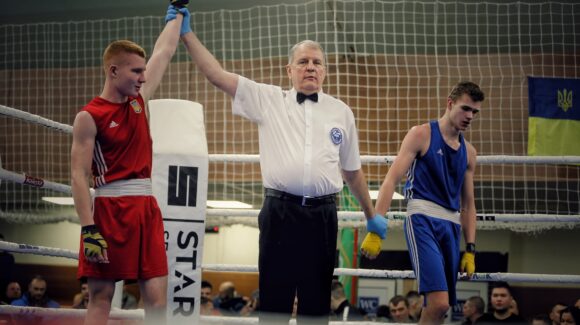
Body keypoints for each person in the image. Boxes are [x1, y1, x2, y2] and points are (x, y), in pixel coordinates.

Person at [177, 8, 385, 324]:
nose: (310, 67)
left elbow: (352, 172)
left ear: (325, 71)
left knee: (316, 305)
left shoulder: (342, 112)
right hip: (280, 213)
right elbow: (216, 75)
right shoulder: (268, 99)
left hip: (323, 217)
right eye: (303, 62)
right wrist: (186, 33)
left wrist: (371, 217)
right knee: (274, 302)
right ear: (289, 70)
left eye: (317, 62)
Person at [69, 5, 184, 325]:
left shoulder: (139, 101)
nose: (143, 77)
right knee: (101, 298)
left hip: (146, 208)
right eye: (136, 71)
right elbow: (78, 176)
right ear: (113, 71)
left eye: (143, 71)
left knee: (158, 300)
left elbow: (165, 51)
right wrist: (88, 228)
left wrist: (178, 12)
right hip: (109, 210)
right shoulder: (89, 116)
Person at [374, 81, 484, 325]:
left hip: (451, 226)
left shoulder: (469, 152)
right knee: (439, 302)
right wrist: (376, 228)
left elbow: (468, 204)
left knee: (441, 308)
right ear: (449, 103)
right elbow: (391, 179)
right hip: (422, 220)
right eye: (465, 108)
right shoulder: (421, 134)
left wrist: (471, 249)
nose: (469, 116)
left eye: (474, 112)